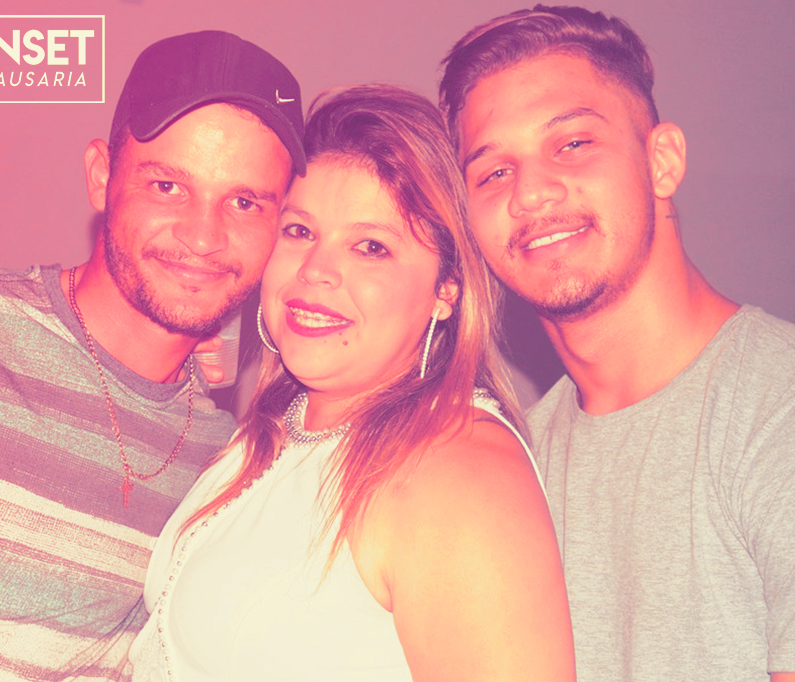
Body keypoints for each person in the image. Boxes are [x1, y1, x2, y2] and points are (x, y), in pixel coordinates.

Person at [439, 5, 795, 682]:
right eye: (493, 172)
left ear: (662, 161)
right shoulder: (517, 460)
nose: (531, 193)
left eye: (573, 144)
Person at [128, 84, 575, 681]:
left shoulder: (459, 468)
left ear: (446, 290)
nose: (317, 270)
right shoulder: (270, 433)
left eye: (371, 247)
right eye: (300, 232)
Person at [0, 30, 304, 681]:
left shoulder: (226, 465)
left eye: (243, 202)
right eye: (168, 186)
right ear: (101, 176)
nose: (203, 236)